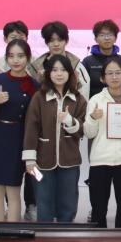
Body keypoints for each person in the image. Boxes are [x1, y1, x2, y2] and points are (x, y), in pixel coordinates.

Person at [23, 54, 87, 222]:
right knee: (43, 201)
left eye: (63, 70)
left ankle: (65, 234)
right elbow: (31, 128)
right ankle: (45, 235)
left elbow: (83, 130)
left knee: (68, 202)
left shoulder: (78, 99)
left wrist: (69, 121)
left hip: (70, 161)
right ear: (48, 73)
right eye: (55, 70)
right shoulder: (39, 97)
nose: (59, 73)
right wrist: (29, 160)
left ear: (70, 73)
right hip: (40, 162)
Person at [84, 57, 121, 228]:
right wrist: (93, 118)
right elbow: (89, 133)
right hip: (100, 160)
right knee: (98, 210)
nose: (114, 77)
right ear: (103, 78)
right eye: (110, 73)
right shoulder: (96, 100)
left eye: (118, 73)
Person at [0, 39, 36, 223]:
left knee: (13, 191)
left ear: (28, 58)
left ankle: (13, 233)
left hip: (18, 138)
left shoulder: (34, 85)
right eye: (11, 56)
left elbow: (34, 119)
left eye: (20, 56)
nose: (16, 60)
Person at [32, 21, 90, 98]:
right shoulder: (37, 67)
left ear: (66, 41)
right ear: (46, 42)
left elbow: (84, 93)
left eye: (60, 40)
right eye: (51, 40)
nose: (56, 44)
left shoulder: (77, 66)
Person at [81, 19, 121, 99]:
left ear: (115, 38)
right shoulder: (87, 61)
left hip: (119, 103)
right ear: (96, 39)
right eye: (102, 35)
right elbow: (82, 86)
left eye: (110, 34)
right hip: (94, 103)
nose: (107, 38)